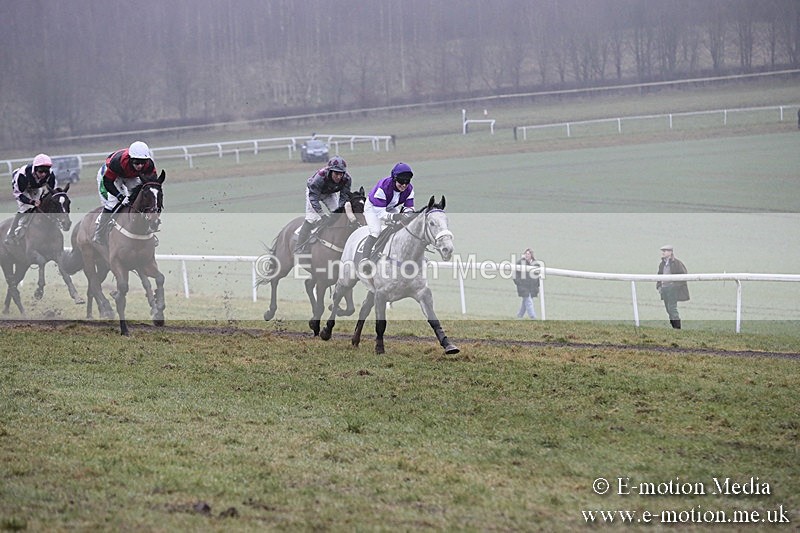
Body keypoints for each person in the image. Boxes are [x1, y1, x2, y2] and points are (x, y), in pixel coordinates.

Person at [93, 141, 158, 245]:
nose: (140, 166)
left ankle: (147, 229)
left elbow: (151, 183)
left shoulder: (149, 165)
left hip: (130, 175)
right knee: (112, 203)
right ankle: (100, 232)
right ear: (131, 159)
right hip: (111, 175)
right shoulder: (117, 163)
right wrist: (119, 196)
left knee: (140, 197)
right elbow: (108, 182)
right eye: (137, 163)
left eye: (143, 162)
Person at [361, 162, 415, 270]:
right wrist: (395, 217)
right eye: (401, 182)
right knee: (376, 231)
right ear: (394, 179)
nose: (404, 185)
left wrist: (408, 215)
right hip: (373, 208)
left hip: (390, 207)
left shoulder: (409, 189)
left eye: (407, 182)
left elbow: (409, 207)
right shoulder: (384, 187)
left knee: (402, 227)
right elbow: (381, 214)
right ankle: (365, 260)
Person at [295, 155, 353, 254]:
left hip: (329, 193)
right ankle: (299, 246)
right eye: (336, 173)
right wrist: (322, 215)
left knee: (338, 215)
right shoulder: (320, 177)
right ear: (330, 171)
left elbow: (344, 197)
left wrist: (339, 211)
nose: (339, 177)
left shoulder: (347, 179)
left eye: (341, 174)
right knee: (312, 218)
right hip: (314, 193)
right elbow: (313, 199)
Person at [5, 153, 57, 245]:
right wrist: (31, 201)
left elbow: (52, 191)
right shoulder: (22, 175)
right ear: (35, 169)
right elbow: (18, 194)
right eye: (41, 171)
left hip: (35, 187)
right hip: (21, 189)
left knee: (40, 207)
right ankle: (11, 233)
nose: (43, 174)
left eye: (46, 171)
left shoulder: (50, 174)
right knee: (26, 208)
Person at [656, 244, 690, 329]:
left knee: (672, 308)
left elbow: (683, 275)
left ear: (670, 252)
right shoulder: (662, 264)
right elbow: (659, 276)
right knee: (668, 309)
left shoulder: (677, 263)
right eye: (663, 251)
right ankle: (674, 326)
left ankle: (677, 327)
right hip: (664, 289)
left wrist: (674, 286)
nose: (663, 253)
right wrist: (659, 286)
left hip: (672, 289)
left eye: (665, 251)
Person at [513, 248, 540, 319]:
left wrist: (537, 285)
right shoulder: (520, 263)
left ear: (531, 255)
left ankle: (519, 316)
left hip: (532, 287)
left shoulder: (536, 264)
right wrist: (518, 283)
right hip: (523, 286)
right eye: (526, 254)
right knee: (528, 301)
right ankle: (533, 317)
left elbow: (537, 276)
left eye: (528, 254)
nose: (527, 255)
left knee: (525, 302)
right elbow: (515, 274)